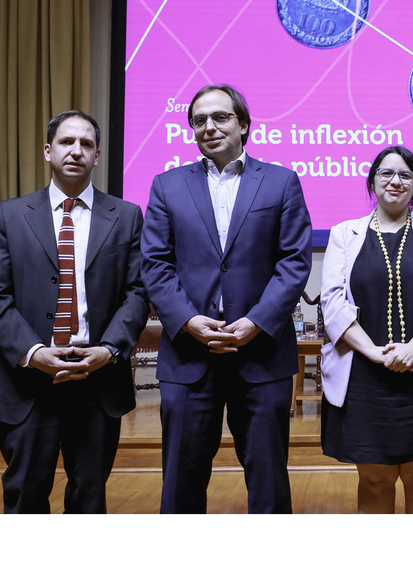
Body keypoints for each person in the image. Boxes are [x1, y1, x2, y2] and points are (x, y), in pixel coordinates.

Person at [141, 84, 312, 513]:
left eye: (220, 117)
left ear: (244, 124)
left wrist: (256, 322)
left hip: (261, 355)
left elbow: (294, 262)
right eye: (199, 120)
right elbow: (155, 264)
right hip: (189, 355)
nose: (209, 127)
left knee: (269, 485)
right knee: (180, 485)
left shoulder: (281, 182)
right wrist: (187, 321)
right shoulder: (167, 185)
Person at [0, 110, 149, 513]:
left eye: (86, 144)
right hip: (28, 381)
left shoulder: (126, 216)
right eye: (67, 142)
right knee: (25, 497)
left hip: (97, 378)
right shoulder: (10, 215)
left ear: (97, 155)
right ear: (47, 150)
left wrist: (109, 349)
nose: (76, 151)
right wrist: (34, 352)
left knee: (89, 499)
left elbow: (138, 293)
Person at [320, 146, 413, 513]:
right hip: (363, 374)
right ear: (372, 181)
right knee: (374, 478)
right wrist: (373, 351)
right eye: (386, 173)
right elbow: (332, 303)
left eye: (405, 174)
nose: (395, 181)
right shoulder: (344, 233)